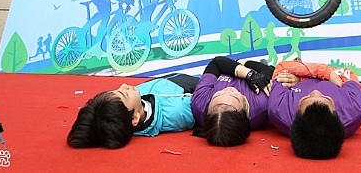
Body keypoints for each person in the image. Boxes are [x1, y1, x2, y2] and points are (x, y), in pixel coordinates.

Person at [268, 59, 361, 159]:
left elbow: (281, 68)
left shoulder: (279, 108)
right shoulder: (355, 108)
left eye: (307, 97)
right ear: (335, 112)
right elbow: (346, 73)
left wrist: (302, 78)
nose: (316, 92)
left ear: (297, 112)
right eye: (325, 97)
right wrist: (326, 72)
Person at [67, 74, 197, 149]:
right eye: (125, 94)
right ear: (135, 118)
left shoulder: (135, 100)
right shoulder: (178, 112)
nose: (124, 85)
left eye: (117, 90)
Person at [190, 56, 274, 147]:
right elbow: (270, 71)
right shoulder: (262, 104)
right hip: (251, 67)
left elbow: (216, 63)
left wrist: (248, 74)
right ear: (244, 111)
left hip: (228, 66)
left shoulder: (200, 102)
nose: (228, 89)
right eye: (234, 96)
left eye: (218, 94)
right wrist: (247, 67)